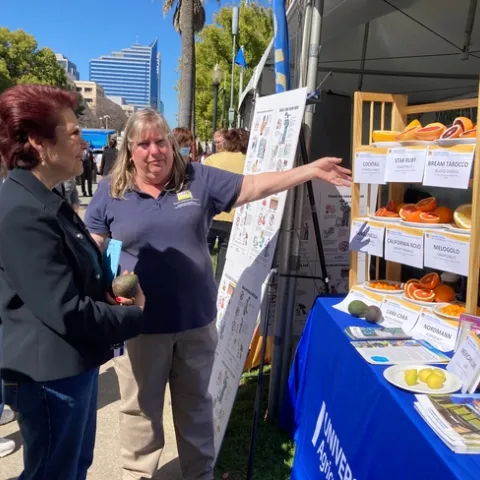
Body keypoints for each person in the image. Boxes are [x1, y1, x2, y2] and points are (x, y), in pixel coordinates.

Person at [85, 108, 351, 480]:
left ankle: (200, 474)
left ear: (172, 145)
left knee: (195, 405)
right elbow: (91, 251)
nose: (154, 151)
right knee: (140, 410)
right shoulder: (109, 192)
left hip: (195, 322)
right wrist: (102, 291)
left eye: (161, 141)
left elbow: (256, 186)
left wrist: (308, 170)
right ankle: (137, 473)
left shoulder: (198, 179)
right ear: (130, 149)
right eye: (143, 144)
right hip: (138, 327)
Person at [0, 84, 146, 479]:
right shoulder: (22, 212)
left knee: (71, 467)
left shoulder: (44, 199)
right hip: (51, 378)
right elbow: (65, 311)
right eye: (73, 132)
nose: (84, 141)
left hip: (69, 368)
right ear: (37, 143)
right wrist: (135, 316)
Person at [205, 128, 249, 283]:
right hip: (234, 217)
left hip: (210, 214)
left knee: (201, 255)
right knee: (224, 259)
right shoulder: (248, 162)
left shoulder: (212, 159)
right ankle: (218, 290)